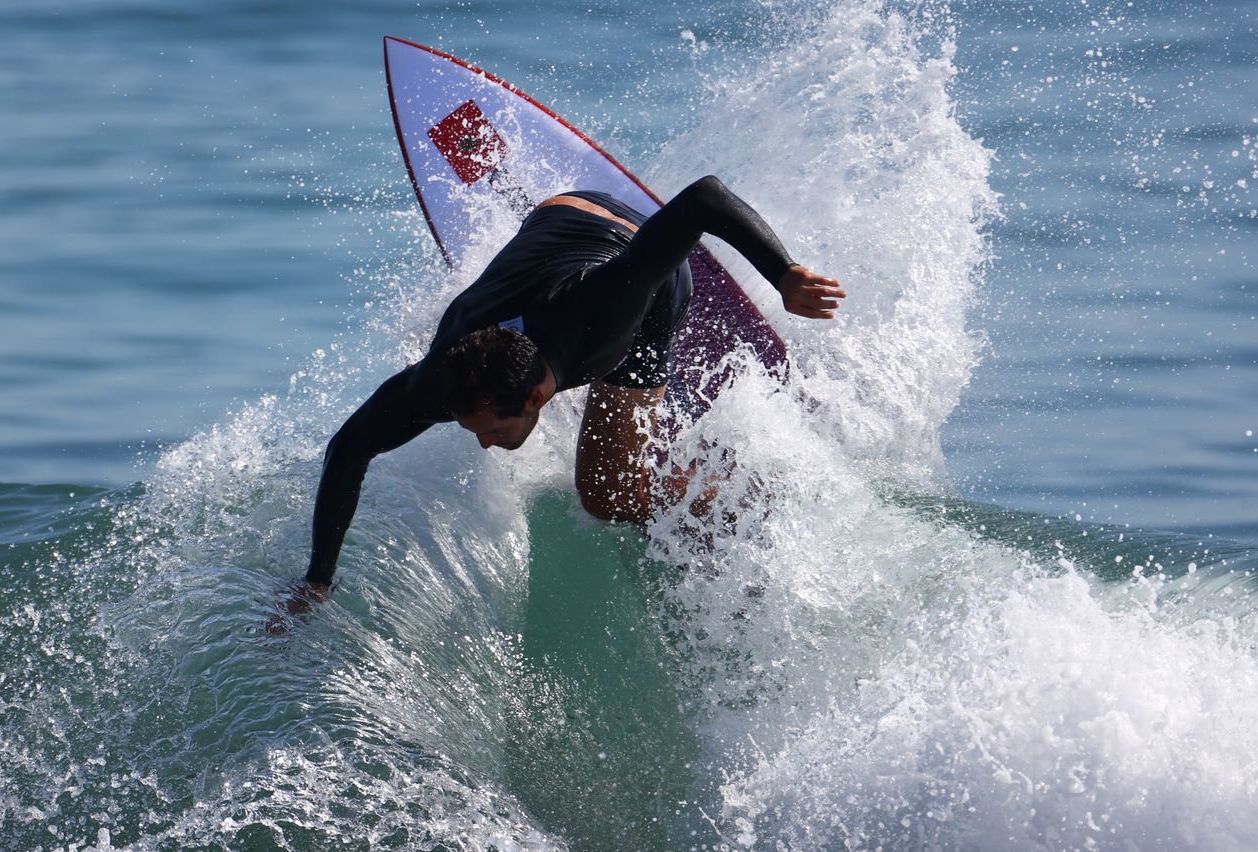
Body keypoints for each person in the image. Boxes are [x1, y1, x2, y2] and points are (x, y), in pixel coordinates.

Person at [273, 175, 844, 625]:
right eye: (474, 430)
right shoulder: (440, 382)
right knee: (608, 487)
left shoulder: (604, 308)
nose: (485, 443)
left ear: (535, 395)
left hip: (638, 285)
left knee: (607, 494)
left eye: (492, 430)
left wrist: (785, 274)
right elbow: (347, 448)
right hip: (554, 218)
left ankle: (744, 493)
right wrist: (317, 580)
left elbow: (702, 199)